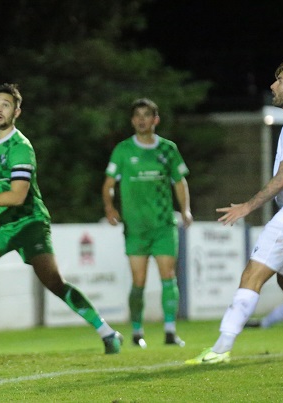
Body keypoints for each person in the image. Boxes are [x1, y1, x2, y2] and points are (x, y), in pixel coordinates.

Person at [0, 83, 123, 354]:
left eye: (5, 105)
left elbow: (17, 195)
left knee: (54, 283)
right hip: (4, 224)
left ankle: (107, 332)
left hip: (30, 223)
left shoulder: (20, 148)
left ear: (17, 111)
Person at [187, 60, 283, 364]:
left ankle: (220, 349)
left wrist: (247, 206)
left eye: (279, 81)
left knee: (252, 275)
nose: (272, 85)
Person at [102, 98, 192, 348]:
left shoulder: (168, 149)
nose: (141, 120)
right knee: (138, 282)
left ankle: (170, 331)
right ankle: (137, 331)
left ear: (156, 120)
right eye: (137, 116)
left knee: (168, 276)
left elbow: (179, 181)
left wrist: (185, 210)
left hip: (163, 225)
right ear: (132, 121)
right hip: (135, 227)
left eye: (147, 115)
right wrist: (110, 207)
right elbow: (109, 185)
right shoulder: (123, 150)